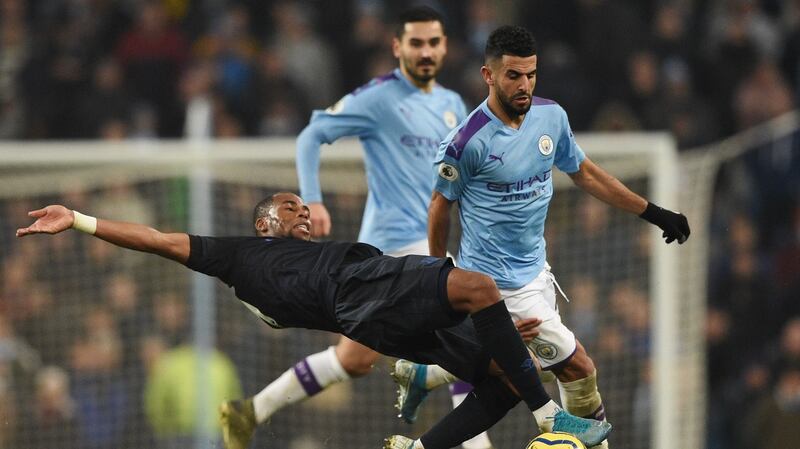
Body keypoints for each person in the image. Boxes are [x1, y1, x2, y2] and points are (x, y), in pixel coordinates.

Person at [15, 193, 612, 449]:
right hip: (365, 291)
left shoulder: (281, 269)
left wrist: (494, 330)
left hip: (372, 318)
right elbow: (157, 239)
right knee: (479, 288)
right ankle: (551, 422)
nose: (303, 212)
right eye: (290, 207)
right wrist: (83, 220)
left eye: (304, 207)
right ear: (262, 225)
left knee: (503, 376)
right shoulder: (237, 256)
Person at [390, 25, 691, 449]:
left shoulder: (552, 118)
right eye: (514, 75)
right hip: (495, 288)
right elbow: (440, 206)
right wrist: (440, 277)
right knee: (580, 369)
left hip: (536, 273)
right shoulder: (466, 143)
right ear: (488, 75)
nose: (524, 84)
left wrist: (654, 212)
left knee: (517, 373)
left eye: (531, 74)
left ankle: (424, 382)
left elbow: (584, 173)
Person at [221, 6, 495, 449]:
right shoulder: (378, 97)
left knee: (356, 359)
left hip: (430, 242)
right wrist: (312, 197)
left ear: (444, 46)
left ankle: (251, 411)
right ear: (397, 47)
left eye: (433, 42)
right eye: (416, 43)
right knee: (469, 336)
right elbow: (312, 134)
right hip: (390, 246)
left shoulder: (451, 105)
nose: (425, 51)